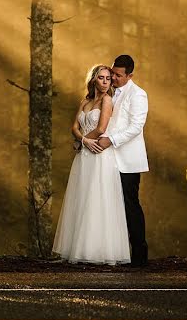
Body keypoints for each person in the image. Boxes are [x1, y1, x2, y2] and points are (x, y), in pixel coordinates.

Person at [52, 65, 130, 265]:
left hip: (98, 154)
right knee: (81, 197)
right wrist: (82, 140)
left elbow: (102, 127)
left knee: (97, 199)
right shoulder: (85, 101)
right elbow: (74, 126)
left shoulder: (107, 100)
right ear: (93, 79)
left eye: (108, 78)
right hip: (84, 154)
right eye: (101, 78)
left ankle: (97, 251)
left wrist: (83, 141)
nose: (106, 81)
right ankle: (76, 249)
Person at [95, 54, 149, 267]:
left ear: (130, 75)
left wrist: (111, 140)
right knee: (108, 206)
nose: (113, 78)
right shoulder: (109, 93)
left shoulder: (138, 95)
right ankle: (113, 253)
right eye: (113, 73)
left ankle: (139, 256)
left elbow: (136, 127)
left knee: (129, 206)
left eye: (118, 75)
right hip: (106, 159)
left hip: (127, 160)